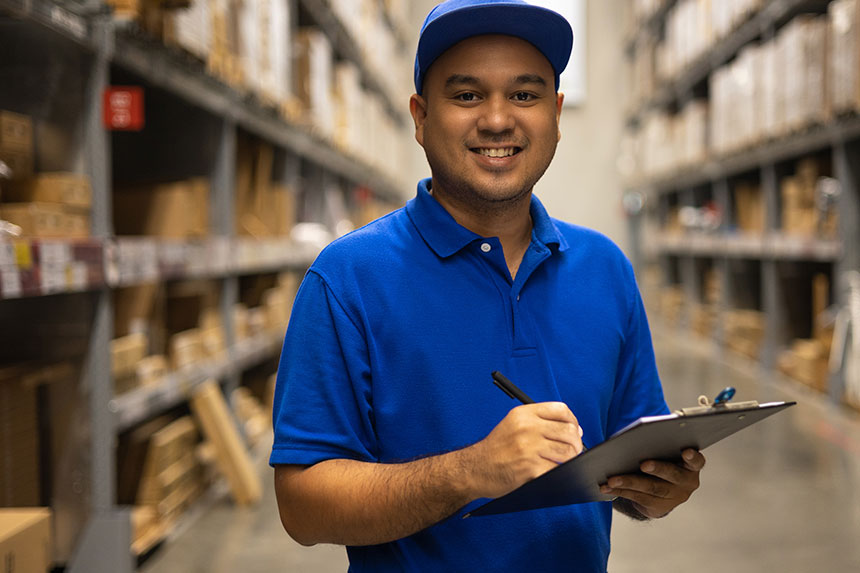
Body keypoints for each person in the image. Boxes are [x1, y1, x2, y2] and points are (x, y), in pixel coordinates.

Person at [270, 0, 706, 570]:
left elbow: (627, 465)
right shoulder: (348, 278)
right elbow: (303, 507)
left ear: (554, 112)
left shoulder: (606, 269)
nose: (498, 120)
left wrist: (658, 491)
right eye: (467, 95)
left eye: (524, 95)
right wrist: (469, 471)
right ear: (420, 116)